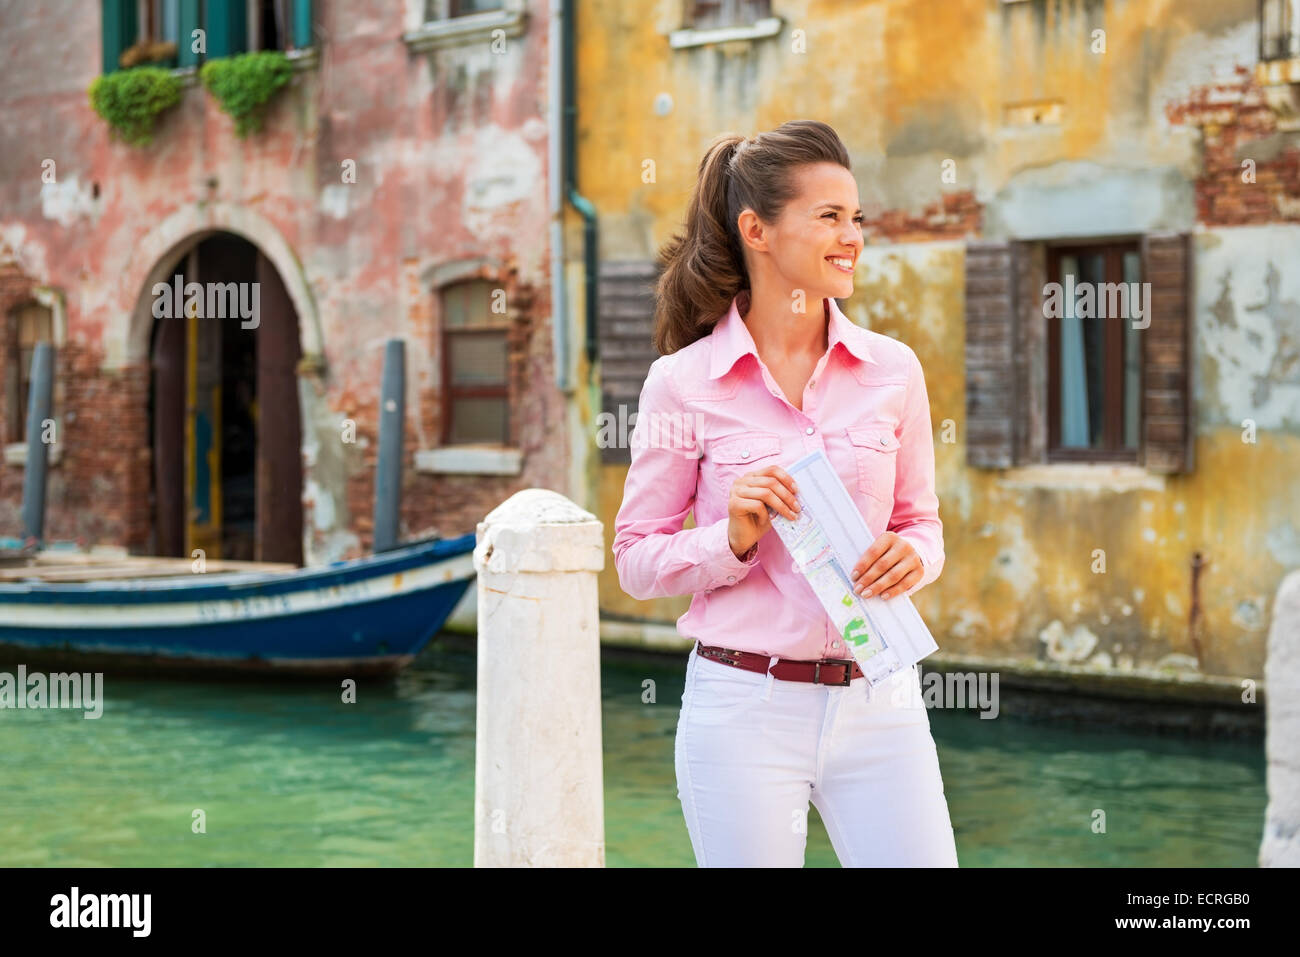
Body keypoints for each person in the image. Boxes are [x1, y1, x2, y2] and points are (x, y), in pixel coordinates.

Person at [611, 120, 959, 867]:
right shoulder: (683, 383)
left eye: (856, 217)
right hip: (744, 707)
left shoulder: (893, 372)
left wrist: (916, 560)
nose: (853, 236)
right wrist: (730, 535)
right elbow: (635, 561)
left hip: (881, 702)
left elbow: (922, 523)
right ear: (757, 230)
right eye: (830, 216)